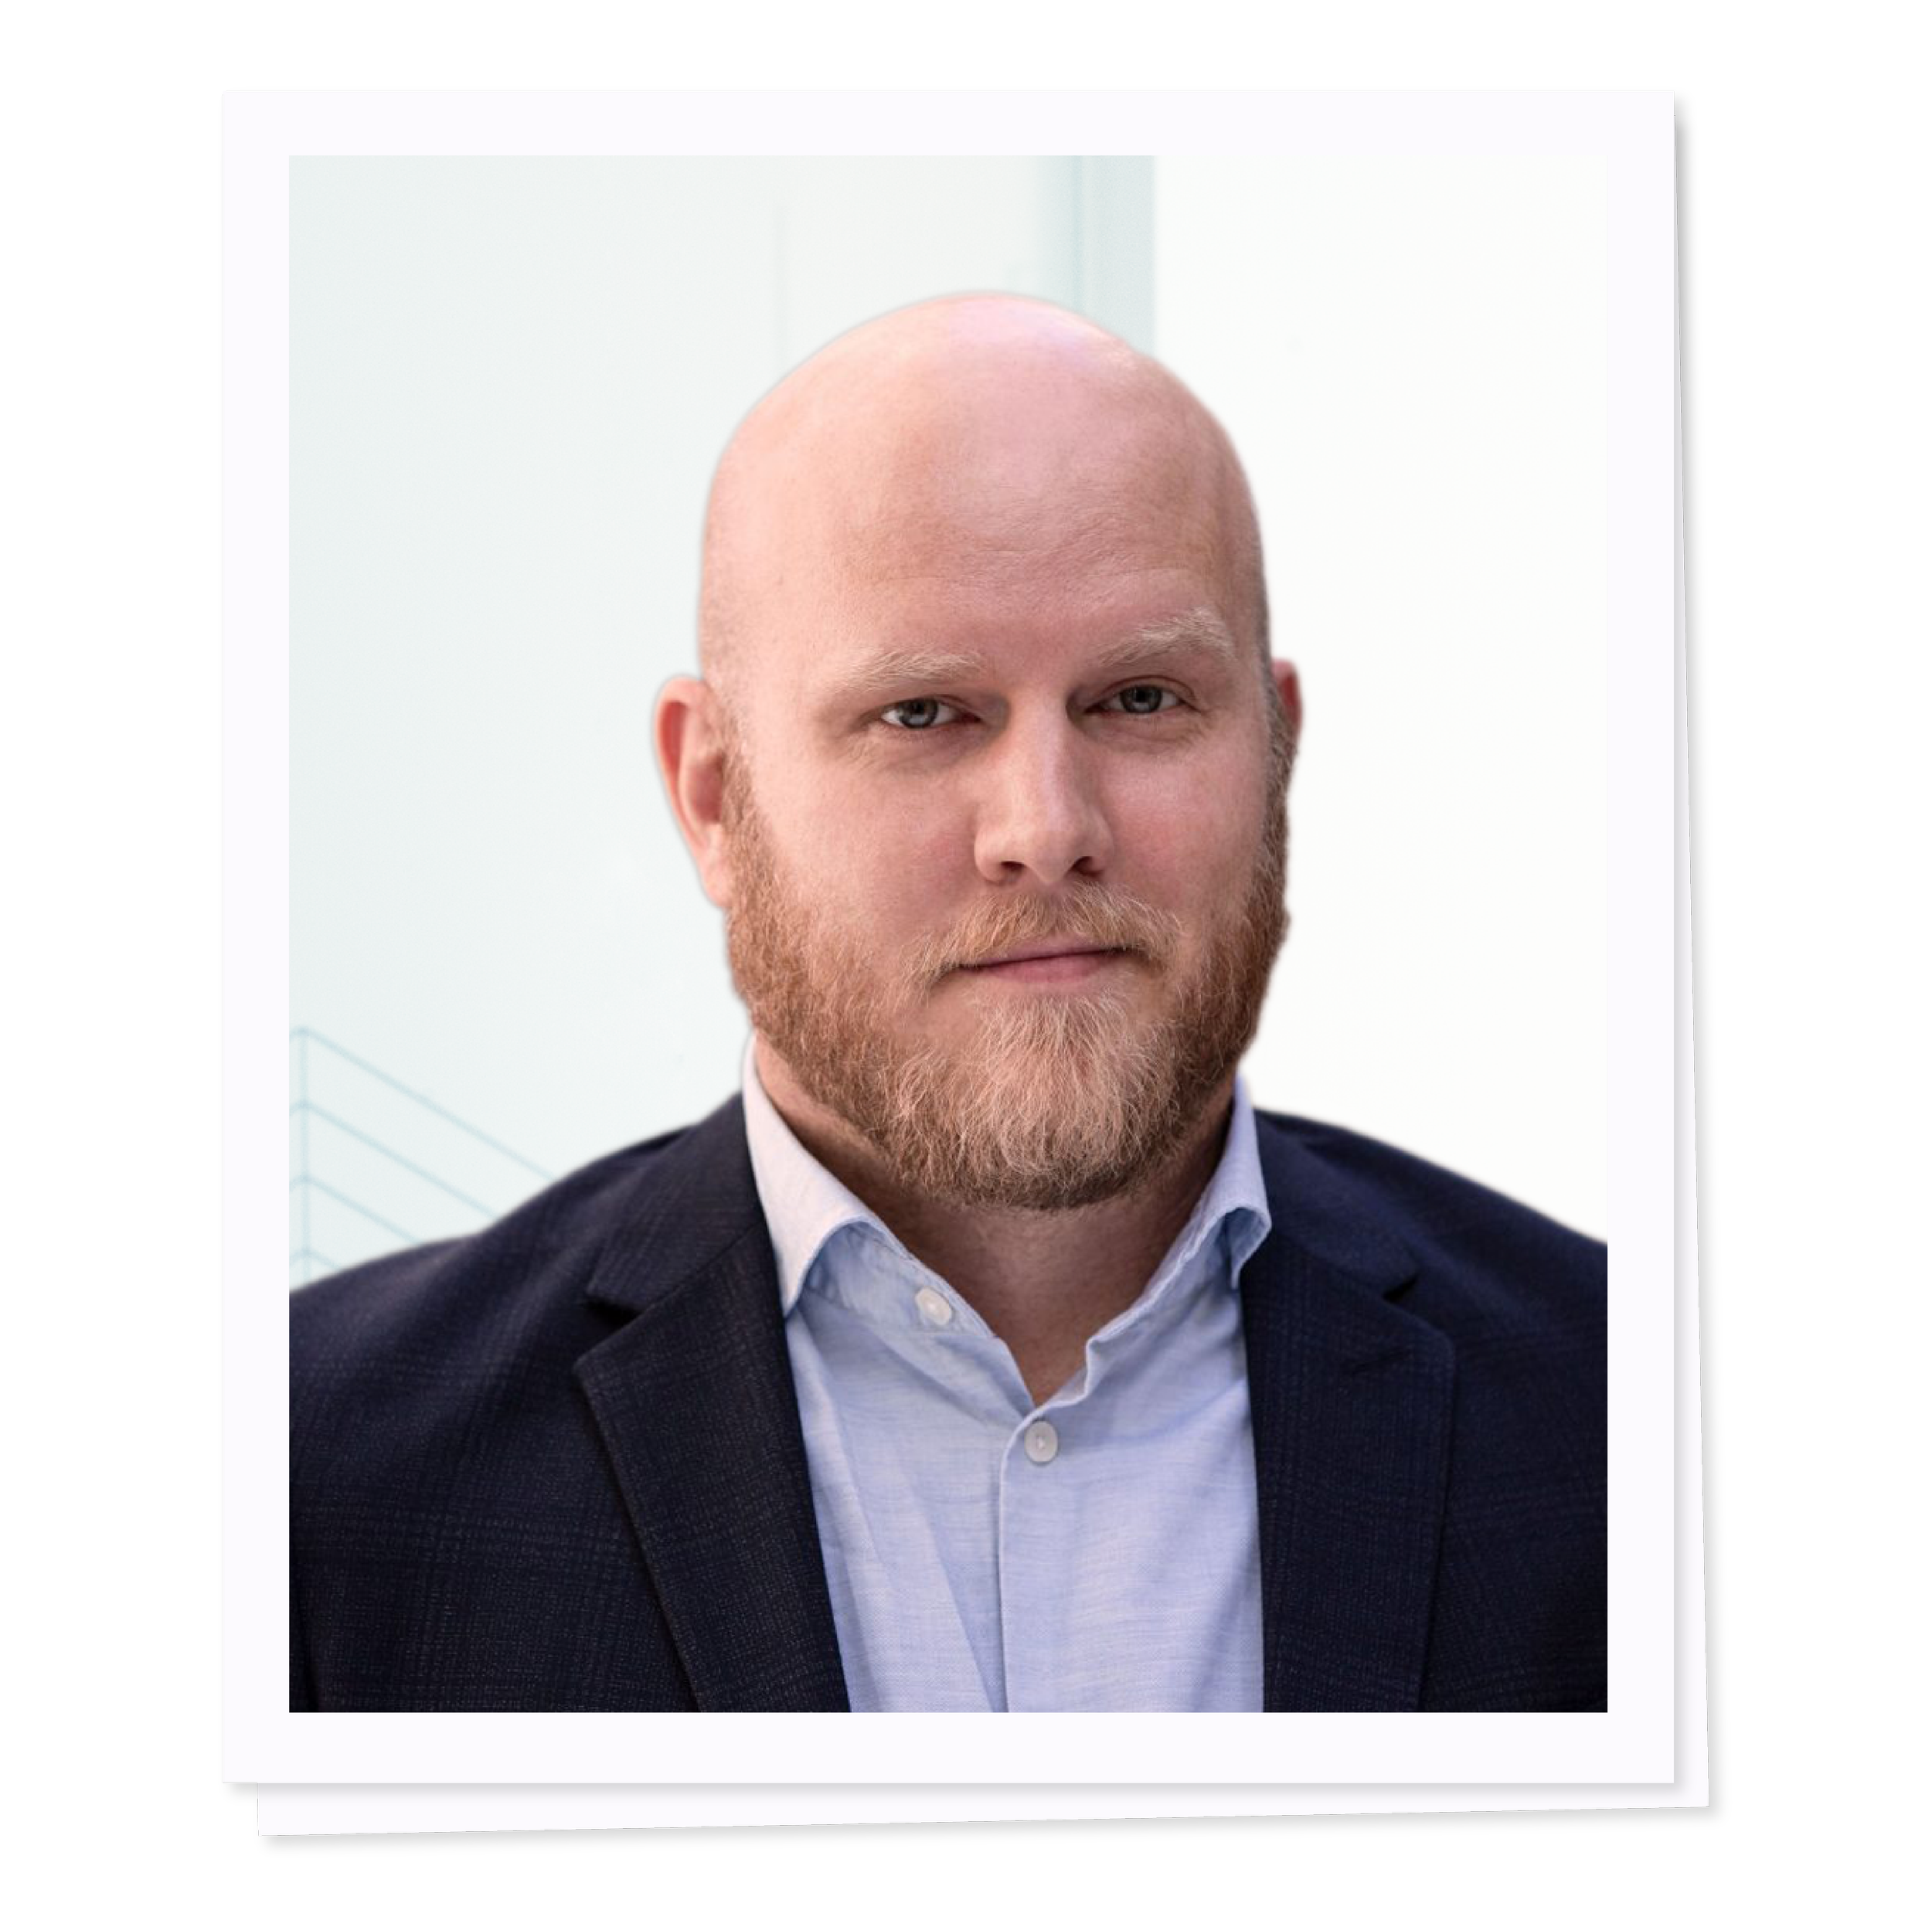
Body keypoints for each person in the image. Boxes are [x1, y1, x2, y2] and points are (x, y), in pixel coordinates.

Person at [290, 294, 1606, 1713]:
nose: (1044, 827)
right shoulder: (312, 1473)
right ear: (714, 797)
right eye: (923, 714)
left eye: (1143, 698)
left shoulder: (1628, 1416)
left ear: (1275, 751)